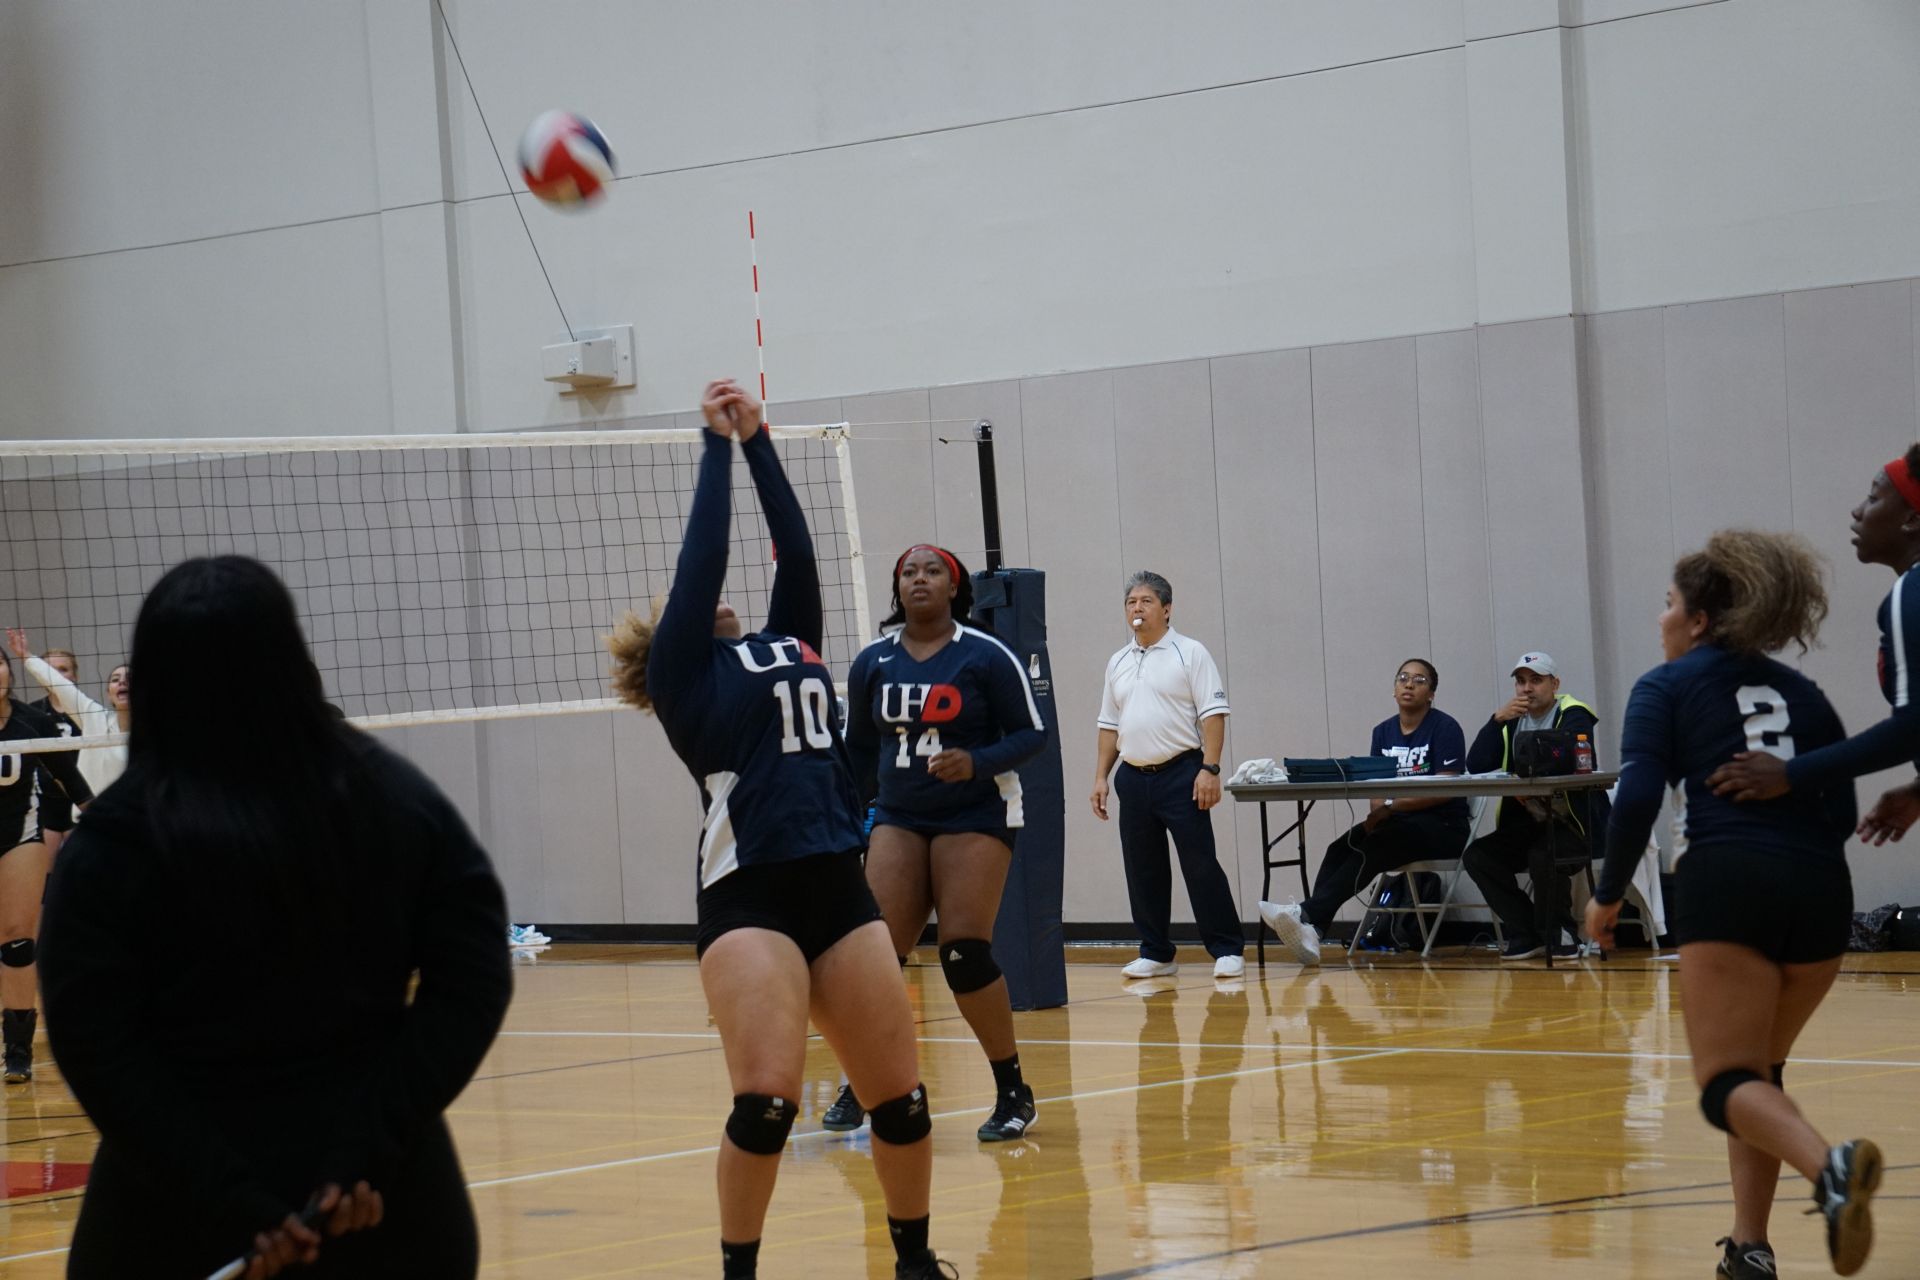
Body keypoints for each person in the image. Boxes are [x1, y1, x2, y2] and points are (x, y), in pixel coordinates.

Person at [38, 555, 511, 1278]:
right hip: (380, 1200)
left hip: (174, 1208)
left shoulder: (114, 841)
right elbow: (474, 978)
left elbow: (93, 1040)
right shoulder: (393, 798)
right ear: (293, 659)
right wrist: (369, 1152)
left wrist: (229, 1200)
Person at [606, 379, 952, 1280]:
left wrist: (760, 439)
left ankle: (913, 1262)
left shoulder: (786, 641)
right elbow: (704, 563)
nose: (712, 604)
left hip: (836, 885)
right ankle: (740, 1273)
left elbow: (793, 551)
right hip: (748, 895)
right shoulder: (691, 677)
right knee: (766, 1104)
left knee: (902, 1103)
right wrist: (714, 449)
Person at [1585, 531, 1879, 1279]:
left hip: (1728, 881)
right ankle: (1750, 1249)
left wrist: (1607, 895)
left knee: (1724, 1085)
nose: (1661, 617)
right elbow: (1840, 811)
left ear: (1700, 620)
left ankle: (1832, 1170)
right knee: (1760, 1075)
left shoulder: (1666, 685)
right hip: (1820, 892)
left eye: (1669, 603)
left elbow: (1639, 799)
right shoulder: (1803, 692)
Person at [836, 543, 1047, 1142]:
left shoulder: (985, 655)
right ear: (897, 587)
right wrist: (847, 819)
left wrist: (976, 762)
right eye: (909, 572)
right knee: (875, 958)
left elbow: (1033, 734)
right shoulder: (873, 660)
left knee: (963, 953)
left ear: (955, 587)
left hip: (976, 812)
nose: (919, 579)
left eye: (933, 571)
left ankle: (1013, 1091)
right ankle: (867, 1081)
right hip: (900, 815)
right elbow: (857, 753)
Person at [1709, 447, 1920, 841]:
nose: (1857, 511)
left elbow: (1913, 726)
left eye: (1873, 498)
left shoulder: (1912, 590)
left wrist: (1790, 774)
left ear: (1911, 518)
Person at [1260, 658, 1470, 966]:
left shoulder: (1445, 727)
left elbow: (1445, 788)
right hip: (1397, 823)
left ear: (1431, 693)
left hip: (1444, 827)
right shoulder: (1383, 732)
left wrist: (1389, 808)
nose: (1409, 684)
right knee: (1340, 847)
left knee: (1377, 846)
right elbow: (1375, 787)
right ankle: (1314, 930)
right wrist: (1380, 812)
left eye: (1419, 680)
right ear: (1395, 688)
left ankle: (1306, 914)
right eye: (1403, 678)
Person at [1090, 571, 1244, 981]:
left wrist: (1209, 769)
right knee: (1142, 869)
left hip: (1182, 774)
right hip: (1133, 778)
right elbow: (1109, 724)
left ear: (1167, 609)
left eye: (1145, 601)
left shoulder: (1190, 653)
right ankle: (1156, 951)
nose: (1136, 608)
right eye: (1130, 602)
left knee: (1200, 864)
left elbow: (1214, 714)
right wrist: (1102, 777)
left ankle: (1227, 948)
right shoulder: (1117, 661)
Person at [1462, 652, 1610, 960]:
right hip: (1529, 824)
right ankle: (1526, 932)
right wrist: (1496, 721)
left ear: (1554, 684)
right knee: (1478, 856)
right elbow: (1476, 764)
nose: (1526, 689)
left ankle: (1562, 931)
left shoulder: (1574, 713)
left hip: (1576, 824)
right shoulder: (1510, 721)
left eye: (1536, 680)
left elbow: (1569, 754)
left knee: (1544, 853)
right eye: (1520, 681)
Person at [0, 653, 93, 1083]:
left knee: (17, 942)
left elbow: (69, 777)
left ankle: (17, 1050)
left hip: (18, 835)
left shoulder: (29, 722)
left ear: (8, 672)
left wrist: (105, 819)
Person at [6, 632, 131, 835]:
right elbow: (62, 686)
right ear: (109, 693)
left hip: (138, 823)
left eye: (130, 679)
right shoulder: (94, 717)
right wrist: (27, 656)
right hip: (94, 824)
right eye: (116, 679)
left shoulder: (155, 732)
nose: (123, 682)